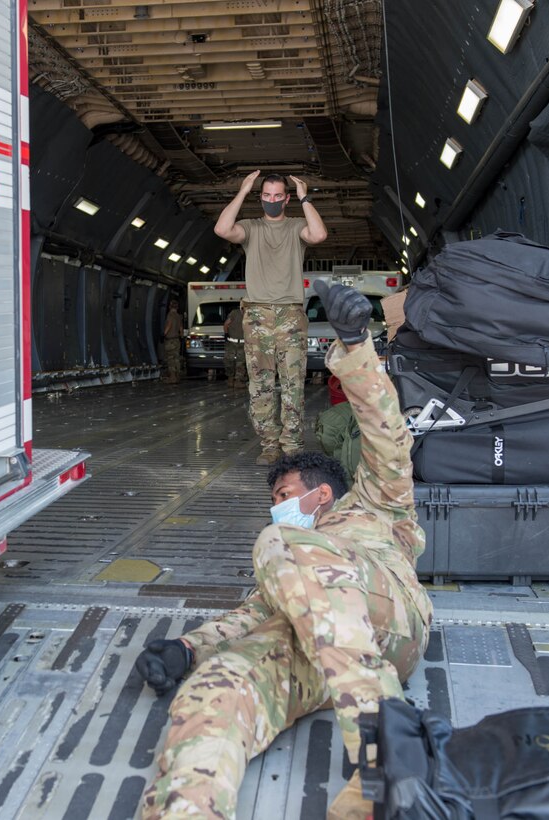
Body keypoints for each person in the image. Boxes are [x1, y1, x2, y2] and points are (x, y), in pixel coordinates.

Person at [137, 282, 433, 820]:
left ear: (321, 493)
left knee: (280, 544)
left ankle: (389, 745)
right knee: (218, 689)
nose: (276, 506)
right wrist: (189, 648)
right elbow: (253, 615)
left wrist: (354, 344)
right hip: (320, 651)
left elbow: (385, 432)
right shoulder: (290, 565)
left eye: (282, 495)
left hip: (389, 623)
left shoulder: (378, 505)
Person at [214, 170, 328, 465]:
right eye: (266, 196)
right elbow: (222, 229)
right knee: (261, 385)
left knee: (293, 384)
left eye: (278, 196)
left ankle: (292, 445)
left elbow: (318, 235)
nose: (272, 201)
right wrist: (242, 190)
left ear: (286, 198)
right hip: (257, 315)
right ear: (260, 197)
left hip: (290, 314)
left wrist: (305, 197)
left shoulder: (296, 226)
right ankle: (269, 444)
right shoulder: (250, 228)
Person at [222, 305, 247, 388]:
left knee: (241, 363)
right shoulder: (235, 313)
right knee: (229, 361)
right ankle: (230, 378)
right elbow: (226, 324)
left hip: (243, 344)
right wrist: (226, 333)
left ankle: (238, 381)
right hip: (232, 343)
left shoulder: (250, 315)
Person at [162, 297, 182, 384]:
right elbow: (181, 328)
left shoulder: (170, 315)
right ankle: (178, 376)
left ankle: (172, 378)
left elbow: (169, 324)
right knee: (176, 358)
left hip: (170, 340)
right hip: (177, 340)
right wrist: (181, 336)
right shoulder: (179, 316)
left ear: (170, 306)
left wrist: (164, 334)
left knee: (170, 359)